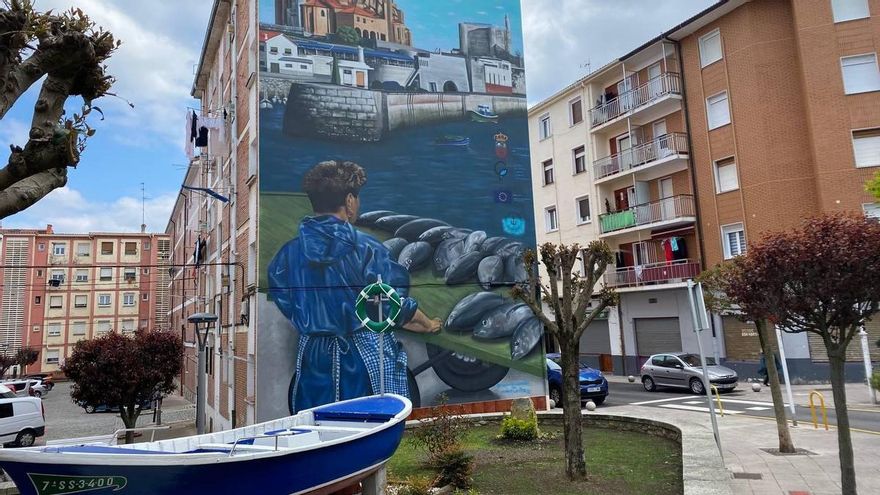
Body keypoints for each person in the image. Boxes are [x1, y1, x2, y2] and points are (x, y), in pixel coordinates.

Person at [268, 160, 441, 412]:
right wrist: (428, 324)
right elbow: (392, 307)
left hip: (313, 360)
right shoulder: (369, 250)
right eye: (357, 198)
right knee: (370, 430)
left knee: (319, 432)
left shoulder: (286, 256)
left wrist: (315, 318)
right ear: (349, 200)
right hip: (362, 364)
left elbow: (286, 301)